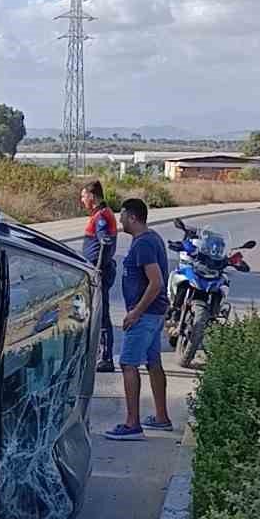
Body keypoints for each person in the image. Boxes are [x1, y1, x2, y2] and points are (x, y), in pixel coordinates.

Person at [108, 197, 173, 439]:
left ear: (133, 217)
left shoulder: (143, 244)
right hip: (154, 314)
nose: (120, 219)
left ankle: (132, 424)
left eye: (122, 214)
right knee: (153, 362)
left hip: (144, 315)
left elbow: (155, 282)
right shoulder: (151, 237)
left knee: (128, 363)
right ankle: (161, 417)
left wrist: (136, 312)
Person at [80, 179, 117, 373]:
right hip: (98, 270)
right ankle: (99, 355)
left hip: (99, 272)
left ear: (92, 197)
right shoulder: (101, 214)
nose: (82, 200)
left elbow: (104, 242)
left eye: (84, 196)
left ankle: (105, 357)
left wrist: (97, 270)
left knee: (101, 315)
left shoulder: (102, 216)